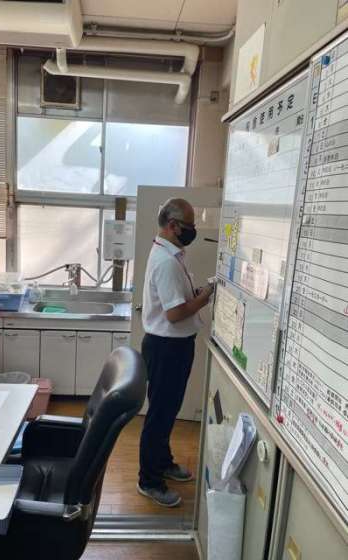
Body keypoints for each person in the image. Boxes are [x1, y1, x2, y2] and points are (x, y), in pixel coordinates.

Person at [137, 198, 214, 507]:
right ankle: (149, 481)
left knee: (167, 411)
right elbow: (174, 314)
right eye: (189, 226)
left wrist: (192, 295)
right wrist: (204, 299)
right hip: (166, 348)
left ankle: (163, 462)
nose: (193, 230)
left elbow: (175, 301)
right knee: (160, 415)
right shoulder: (167, 261)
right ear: (172, 225)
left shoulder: (170, 254)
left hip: (172, 346)